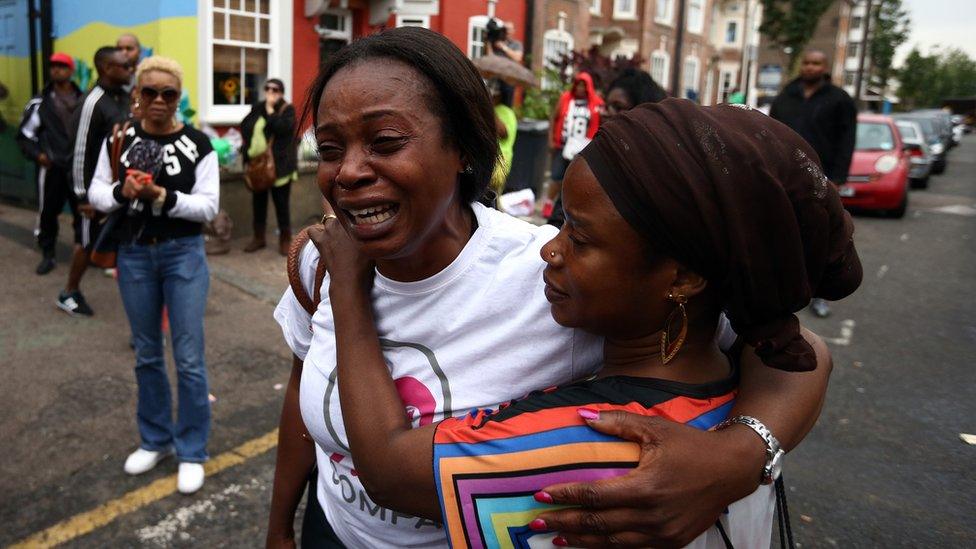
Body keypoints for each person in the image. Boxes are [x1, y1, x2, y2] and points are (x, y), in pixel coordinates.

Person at [268, 27, 837, 549]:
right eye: (331, 148)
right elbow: (302, 391)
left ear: (464, 146)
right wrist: (280, 528)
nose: (347, 173)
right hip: (331, 530)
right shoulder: (325, 260)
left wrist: (737, 457)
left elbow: (795, 352)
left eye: (386, 141)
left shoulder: (560, 279)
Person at [87, 56, 219, 495]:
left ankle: (193, 449)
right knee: (146, 353)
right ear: (137, 97)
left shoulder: (199, 142)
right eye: (149, 92)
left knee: (188, 357)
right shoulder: (120, 137)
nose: (159, 101)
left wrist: (163, 195)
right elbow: (95, 192)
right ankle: (156, 439)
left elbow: (208, 207)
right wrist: (122, 192)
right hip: (135, 255)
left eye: (169, 94)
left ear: (179, 98)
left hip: (184, 254)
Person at [770, 50, 857, 319]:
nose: (810, 67)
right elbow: (768, 132)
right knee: (782, 234)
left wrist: (839, 176)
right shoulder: (786, 96)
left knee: (820, 238)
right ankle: (780, 291)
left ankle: (819, 295)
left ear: (825, 67)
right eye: (806, 62)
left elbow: (847, 139)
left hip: (823, 178)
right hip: (784, 177)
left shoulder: (839, 99)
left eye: (816, 63)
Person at [55, 46, 129, 316]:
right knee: (85, 243)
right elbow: (78, 151)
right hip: (92, 191)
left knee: (114, 242)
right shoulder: (93, 102)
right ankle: (69, 293)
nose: (130, 70)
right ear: (107, 68)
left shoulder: (121, 97)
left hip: (115, 190)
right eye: (125, 66)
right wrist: (83, 196)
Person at [16, 53, 83, 275]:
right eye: (53, 66)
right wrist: (39, 155)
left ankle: (82, 253)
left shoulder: (83, 100)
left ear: (71, 70)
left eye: (62, 66)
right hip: (52, 167)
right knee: (48, 213)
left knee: (82, 212)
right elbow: (25, 135)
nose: (56, 70)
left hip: (78, 167)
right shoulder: (40, 102)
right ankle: (48, 254)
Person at [240, 78, 297, 255]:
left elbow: (282, 129)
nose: (271, 92)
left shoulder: (287, 109)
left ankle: (285, 239)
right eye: (268, 88)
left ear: (281, 92)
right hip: (258, 166)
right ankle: (259, 238)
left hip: (280, 165)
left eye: (275, 89)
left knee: (281, 204)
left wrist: (271, 112)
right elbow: (245, 125)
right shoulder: (258, 107)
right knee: (259, 203)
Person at [543, 73, 602, 223]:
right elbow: (554, 117)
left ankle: (566, 208)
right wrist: (551, 139)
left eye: (584, 85)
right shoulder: (566, 98)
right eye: (578, 84)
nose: (581, 88)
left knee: (574, 179)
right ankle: (549, 204)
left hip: (582, 148)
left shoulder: (596, 103)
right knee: (556, 176)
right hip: (562, 145)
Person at [489, 78, 517, 197]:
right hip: (488, 161)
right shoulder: (493, 109)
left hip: (499, 164)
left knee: (491, 198)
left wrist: (490, 108)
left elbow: (503, 133)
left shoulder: (506, 112)